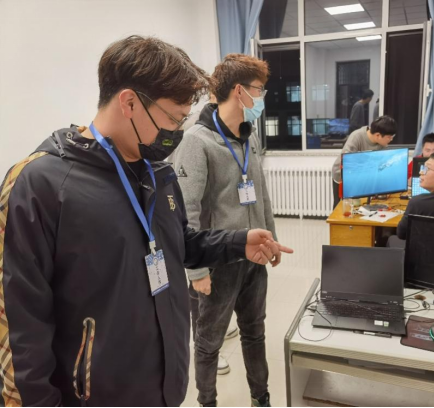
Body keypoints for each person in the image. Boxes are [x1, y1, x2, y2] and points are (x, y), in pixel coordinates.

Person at [0, 36, 293, 407]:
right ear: (129, 102)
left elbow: (178, 244)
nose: (178, 132)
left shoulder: (157, 172)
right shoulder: (40, 185)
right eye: (173, 119)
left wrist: (237, 242)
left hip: (162, 388)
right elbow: (19, 327)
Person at [175, 54, 278, 408]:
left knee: (255, 333)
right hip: (217, 263)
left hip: (254, 257)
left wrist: (271, 239)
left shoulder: (249, 137)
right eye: (259, 90)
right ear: (239, 91)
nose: (262, 97)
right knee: (208, 344)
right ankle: (207, 402)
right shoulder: (196, 141)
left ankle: (260, 398)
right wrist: (196, 270)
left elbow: (261, 194)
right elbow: (186, 211)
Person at [171, 94, 239, 378]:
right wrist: (195, 267)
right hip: (194, 223)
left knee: (216, 289)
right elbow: (187, 203)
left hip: (216, 225)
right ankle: (205, 343)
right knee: (199, 287)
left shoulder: (223, 126)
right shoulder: (192, 132)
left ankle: (217, 329)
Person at [332, 116, 397, 209]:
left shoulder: (382, 144)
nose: (391, 139)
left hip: (364, 176)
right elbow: (347, 164)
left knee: (363, 206)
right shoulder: (356, 137)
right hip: (342, 175)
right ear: (378, 135)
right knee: (342, 207)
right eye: (389, 137)